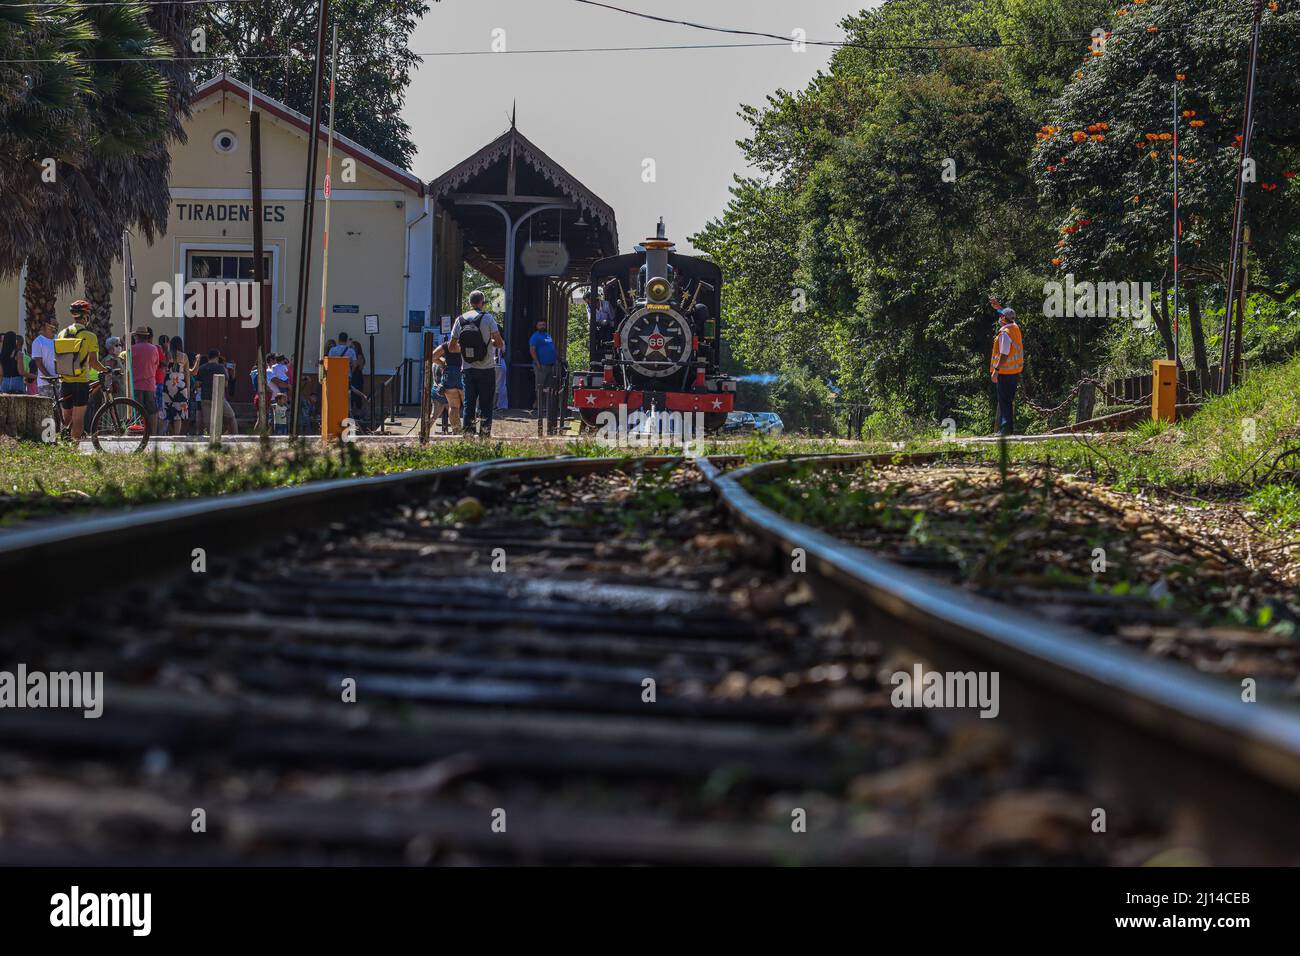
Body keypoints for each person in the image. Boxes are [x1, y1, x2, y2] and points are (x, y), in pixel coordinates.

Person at [450, 289, 503, 437]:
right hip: (486, 369)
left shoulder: (459, 320)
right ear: (482, 303)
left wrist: (467, 350)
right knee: (486, 405)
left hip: (467, 369)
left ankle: (468, 437)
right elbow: (499, 343)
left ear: (469, 303)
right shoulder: (488, 318)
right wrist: (488, 343)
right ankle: (484, 437)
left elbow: (451, 347)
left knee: (469, 405)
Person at [53, 300, 105, 441]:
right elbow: (93, 362)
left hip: (65, 381)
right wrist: (106, 370)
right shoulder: (90, 336)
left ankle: (62, 442)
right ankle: (74, 449)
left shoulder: (62, 333)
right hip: (81, 382)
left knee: (67, 418)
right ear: (86, 317)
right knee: (78, 419)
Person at [988, 296, 1025, 436]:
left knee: (1004, 401)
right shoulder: (1015, 327)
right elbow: (1007, 314)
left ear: (1004, 319)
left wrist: (996, 370)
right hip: (1014, 371)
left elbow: (1004, 354)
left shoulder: (1004, 333)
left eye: (1001, 316)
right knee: (1008, 401)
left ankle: (1005, 429)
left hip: (1004, 372)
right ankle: (1008, 428)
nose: (1000, 318)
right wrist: (998, 307)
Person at [193, 348, 239, 435]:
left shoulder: (202, 368)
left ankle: (210, 440)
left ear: (208, 357)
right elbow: (225, 385)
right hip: (218, 397)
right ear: (217, 357)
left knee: (208, 423)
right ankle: (235, 436)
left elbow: (197, 384)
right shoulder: (221, 368)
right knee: (231, 417)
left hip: (205, 397)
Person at [529, 318, 559, 436]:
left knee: (548, 387)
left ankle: (547, 408)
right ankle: (538, 408)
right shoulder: (535, 336)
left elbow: (551, 347)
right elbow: (532, 349)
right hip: (541, 366)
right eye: (540, 324)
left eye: (543, 324)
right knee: (540, 386)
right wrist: (537, 362)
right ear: (536, 326)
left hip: (550, 365)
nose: (542, 325)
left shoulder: (547, 335)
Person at [430, 335, 464, 433]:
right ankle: (468, 433)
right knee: (468, 406)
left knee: (453, 407)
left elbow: (432, 356)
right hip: (463, 375)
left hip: (449, 378)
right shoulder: (467, 346)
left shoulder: (447, 345)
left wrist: (442, 364)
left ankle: (456, 432)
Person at [129, 327, 161, 426]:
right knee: (152, 411)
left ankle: (140, 432)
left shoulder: (132, 349)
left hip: (136, 384)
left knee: (137, 411)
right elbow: (156, 364)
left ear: (137, 336)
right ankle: (152, 433)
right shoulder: (154, 349)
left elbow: (128, 365)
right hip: (150, 384)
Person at [161, 335, 190, 436]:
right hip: (180, 385)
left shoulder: (167, 355)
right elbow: (187, 375)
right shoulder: (184, 356)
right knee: (178, 414)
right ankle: (176, 435)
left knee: (166, 410)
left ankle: (162, 433)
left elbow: (163, 371)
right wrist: (188, 391)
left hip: (168, 384)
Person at [30, 317, 57, 399]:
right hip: (44, 383)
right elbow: (39, 363)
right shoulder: (38, 341)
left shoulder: (58, 339)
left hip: (59, 382)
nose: (56, 325)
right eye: (54, 324)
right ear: (46, 325)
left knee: (59, 410)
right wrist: (50, 378)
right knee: (47, 410)